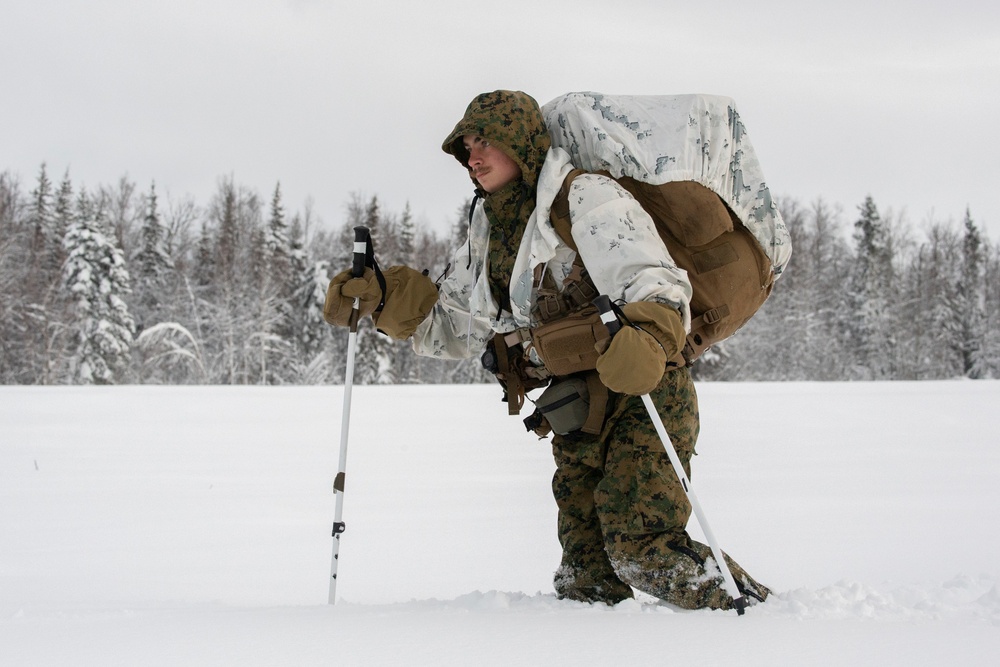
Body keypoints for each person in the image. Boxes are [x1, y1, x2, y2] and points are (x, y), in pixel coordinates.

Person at [324, 90, 770, 610]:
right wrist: (381, 300)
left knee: (644, 551)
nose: (474, 157)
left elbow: (657, 281)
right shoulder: (491, 226)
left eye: (486, 142)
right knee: (586, 580)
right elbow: (460, 324)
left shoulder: (585, 198)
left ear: (521, 143)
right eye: (467, 148)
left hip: (642, 395)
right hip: (576, 409)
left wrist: (649, 334)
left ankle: (757, 621)